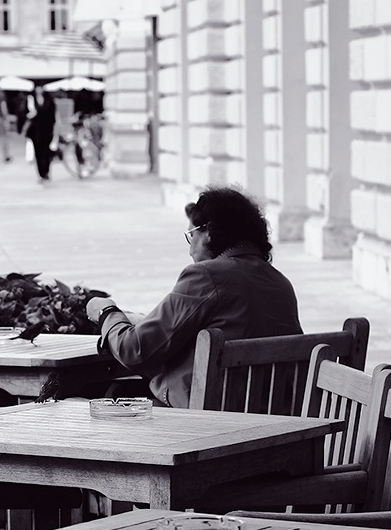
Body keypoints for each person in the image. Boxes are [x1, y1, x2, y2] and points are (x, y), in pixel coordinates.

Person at [84, 186, 303, 409]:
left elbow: (134, 350)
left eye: (191, 235)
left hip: (207, 424)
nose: (190, 251)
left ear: (208, 231)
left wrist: (106, 312)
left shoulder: (207, 276)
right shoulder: (280, 283)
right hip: (270, 421)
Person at [24, 85, 57, 183]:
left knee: (46, 151)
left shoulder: (49, 99)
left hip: (47, 128)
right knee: (38, 152)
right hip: (36, 130)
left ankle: (46, 171)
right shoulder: (31, 100)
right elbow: (25, 113)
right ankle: (41, 174)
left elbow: (53, 113)